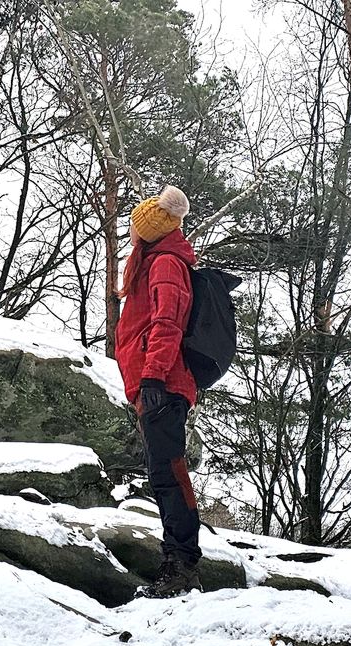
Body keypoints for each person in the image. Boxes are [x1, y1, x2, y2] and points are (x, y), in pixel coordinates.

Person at [114, 184, 202, 598]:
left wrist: (152, 377)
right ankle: (176, 561)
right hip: (154, 384)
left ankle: (181, 565)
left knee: (169, 474)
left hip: (162, 385)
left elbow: (168, 323)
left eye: (134, 228)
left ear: (147, 231)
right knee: (162, 473)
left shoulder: (166, 263)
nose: (131, 234)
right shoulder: (153, 262)